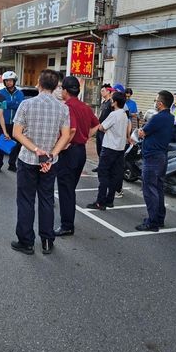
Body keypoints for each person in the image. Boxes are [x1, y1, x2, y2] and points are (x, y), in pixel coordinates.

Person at [11, 69, 71, 255]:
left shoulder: (27, 104)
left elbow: (17, 133)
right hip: (50, 163)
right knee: (46, 200)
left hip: (28, 159)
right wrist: (50, 155)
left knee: (26, 201)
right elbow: (66, 136)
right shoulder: (63, 107)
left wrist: (37, 150)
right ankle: (47, 242)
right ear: (55, 87)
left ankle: (26, 242)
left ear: (39, 82)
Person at [55, 77, 101, 236]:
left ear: (65, 91)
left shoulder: (68, 106)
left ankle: (67, 225)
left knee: (66, 189)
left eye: (62, 88)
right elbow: (97, 124)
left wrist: (62, 145)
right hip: (80, 151)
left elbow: (72, 130)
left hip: (69, 151)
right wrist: (86, 136)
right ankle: (68, 220)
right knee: (70, 188)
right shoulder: (85, 107)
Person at [135, 90, 174, 232]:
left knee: (150, 190)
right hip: (161, 156)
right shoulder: (171, 117)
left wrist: (141, 131)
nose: (155, 103)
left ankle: (152, 222)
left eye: (156, 100)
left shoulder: (157, 118)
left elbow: (142, 132)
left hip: (152, 157)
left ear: (160, 103)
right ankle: (159, 218)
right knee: (158, 188)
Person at [87, 91, 130, 211]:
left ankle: (100, 202)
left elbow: (101, 127)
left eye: (112, 100)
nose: (111, 101)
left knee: (103, 174)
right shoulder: (124, 114)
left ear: (115, 102)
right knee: (114, 175)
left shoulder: (114, 114)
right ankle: (109, 200)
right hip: (120, 149)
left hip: (109, 147)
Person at [0, 71, 24, 172]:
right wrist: (13, 103)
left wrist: (7, 104)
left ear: (14, 81)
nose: (8, 82)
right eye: (6, 81)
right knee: (1, 146)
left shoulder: (20, 93)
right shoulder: (1, 93)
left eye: (10, 80)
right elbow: (1, 104)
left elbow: (20, 105)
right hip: (3, 123)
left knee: (16, 146)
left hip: (16, 124)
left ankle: (12, 164)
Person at [93, 83, 113, 172]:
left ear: (108, 91)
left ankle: (104, 167)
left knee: (104, 149)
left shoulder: (111, 103)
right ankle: (100, 165)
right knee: (99, 148)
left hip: (106, 130)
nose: (101, 92)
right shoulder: (103, 103)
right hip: (99, 128)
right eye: (101, 91)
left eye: (103, 91)